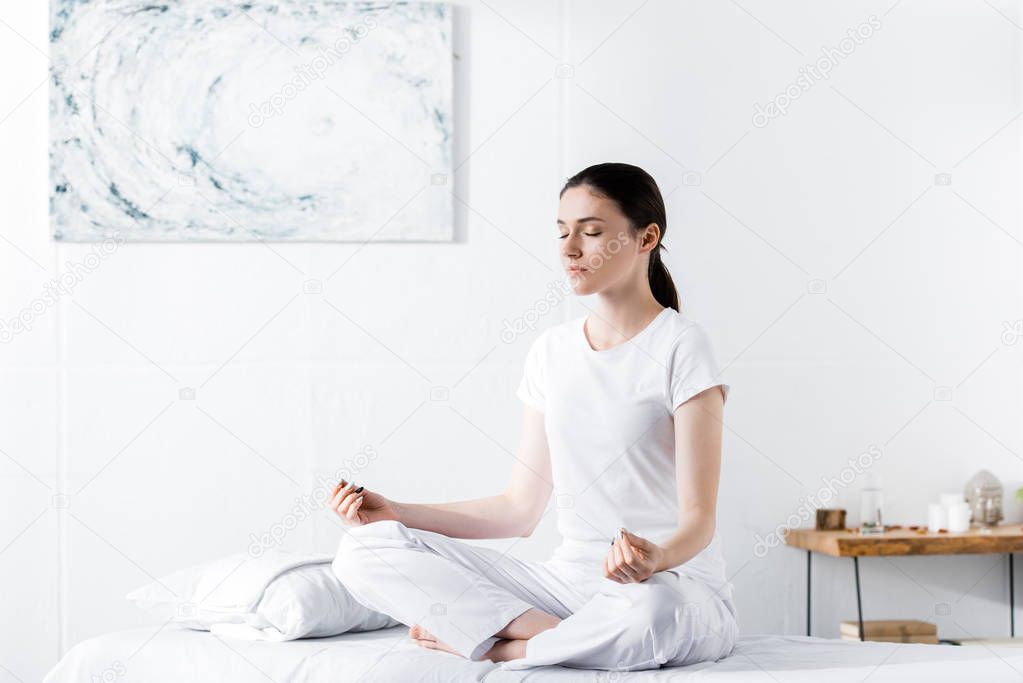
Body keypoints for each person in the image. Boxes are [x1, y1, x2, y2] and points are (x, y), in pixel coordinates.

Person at [329, 162, 738, 672]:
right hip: (566, 588)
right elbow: (518, 511)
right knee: (363, 552)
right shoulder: (552, 351)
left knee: (655, 612)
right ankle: (569, 639)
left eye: (591, 232)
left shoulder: (681, 345)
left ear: (646, 237)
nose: (569, 249)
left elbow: (699, 522)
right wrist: (396, 511)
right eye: (562, 232)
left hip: (667, 586)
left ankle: (507, 645)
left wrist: (652, 558)